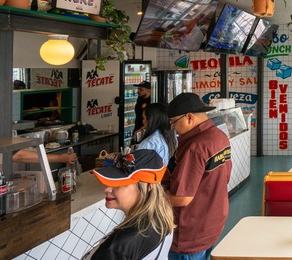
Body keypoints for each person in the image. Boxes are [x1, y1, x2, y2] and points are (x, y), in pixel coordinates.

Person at [163, 93, 231, 259]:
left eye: (173, 122)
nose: (172, 127)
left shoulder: (195, 147)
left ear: (189, 118)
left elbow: (182, 198)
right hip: (212, 222)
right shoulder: (220, 137)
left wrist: (150, 197)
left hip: (190, 231)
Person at [84, 149, 173, 259]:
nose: (107, 189)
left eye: (119, 184)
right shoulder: (162, 219)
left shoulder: (117, 247)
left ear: (147, 187)